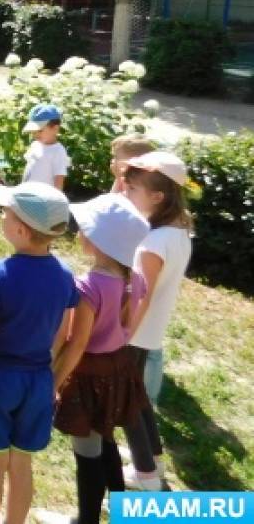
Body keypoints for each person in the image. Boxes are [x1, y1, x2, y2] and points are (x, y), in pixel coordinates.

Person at [0, 182, 77, 524]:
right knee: (22, 463)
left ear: (21, 229)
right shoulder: (66, 276)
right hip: (38, 379)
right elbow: (63, 335)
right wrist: (47, 380)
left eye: (5, 214)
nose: (1, 217)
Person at [50, 194, 150, 524]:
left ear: (97, 240)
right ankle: (121, 511)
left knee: (87, 453)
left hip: (89, 374)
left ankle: (87, 519)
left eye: (83, 228)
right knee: (106, 437)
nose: (78, 232)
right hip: (119, 367)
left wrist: (51, 381)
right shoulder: (137, 279)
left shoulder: (88, 287)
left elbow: (76, 344)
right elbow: (130, 327)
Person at [121, 151, 193, 492]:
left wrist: (123, 335)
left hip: (136, 332)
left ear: (158, 196)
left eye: (133, 189)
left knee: (128, 403)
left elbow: (141, 295)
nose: (126, 194)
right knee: (138, 399)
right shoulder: (178, 234)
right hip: (150, 331)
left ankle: (146, 476)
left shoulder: (152, 244)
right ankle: (154, 457)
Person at [22, 104, 69, 190]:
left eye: (40, 131)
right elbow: (28, 170)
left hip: (44, 199)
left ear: (55, 129)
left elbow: (59, 180)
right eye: (33, 131)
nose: (35, 135)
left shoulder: (58, 151)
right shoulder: (35, 145)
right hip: (28, 195)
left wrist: (56, 201)